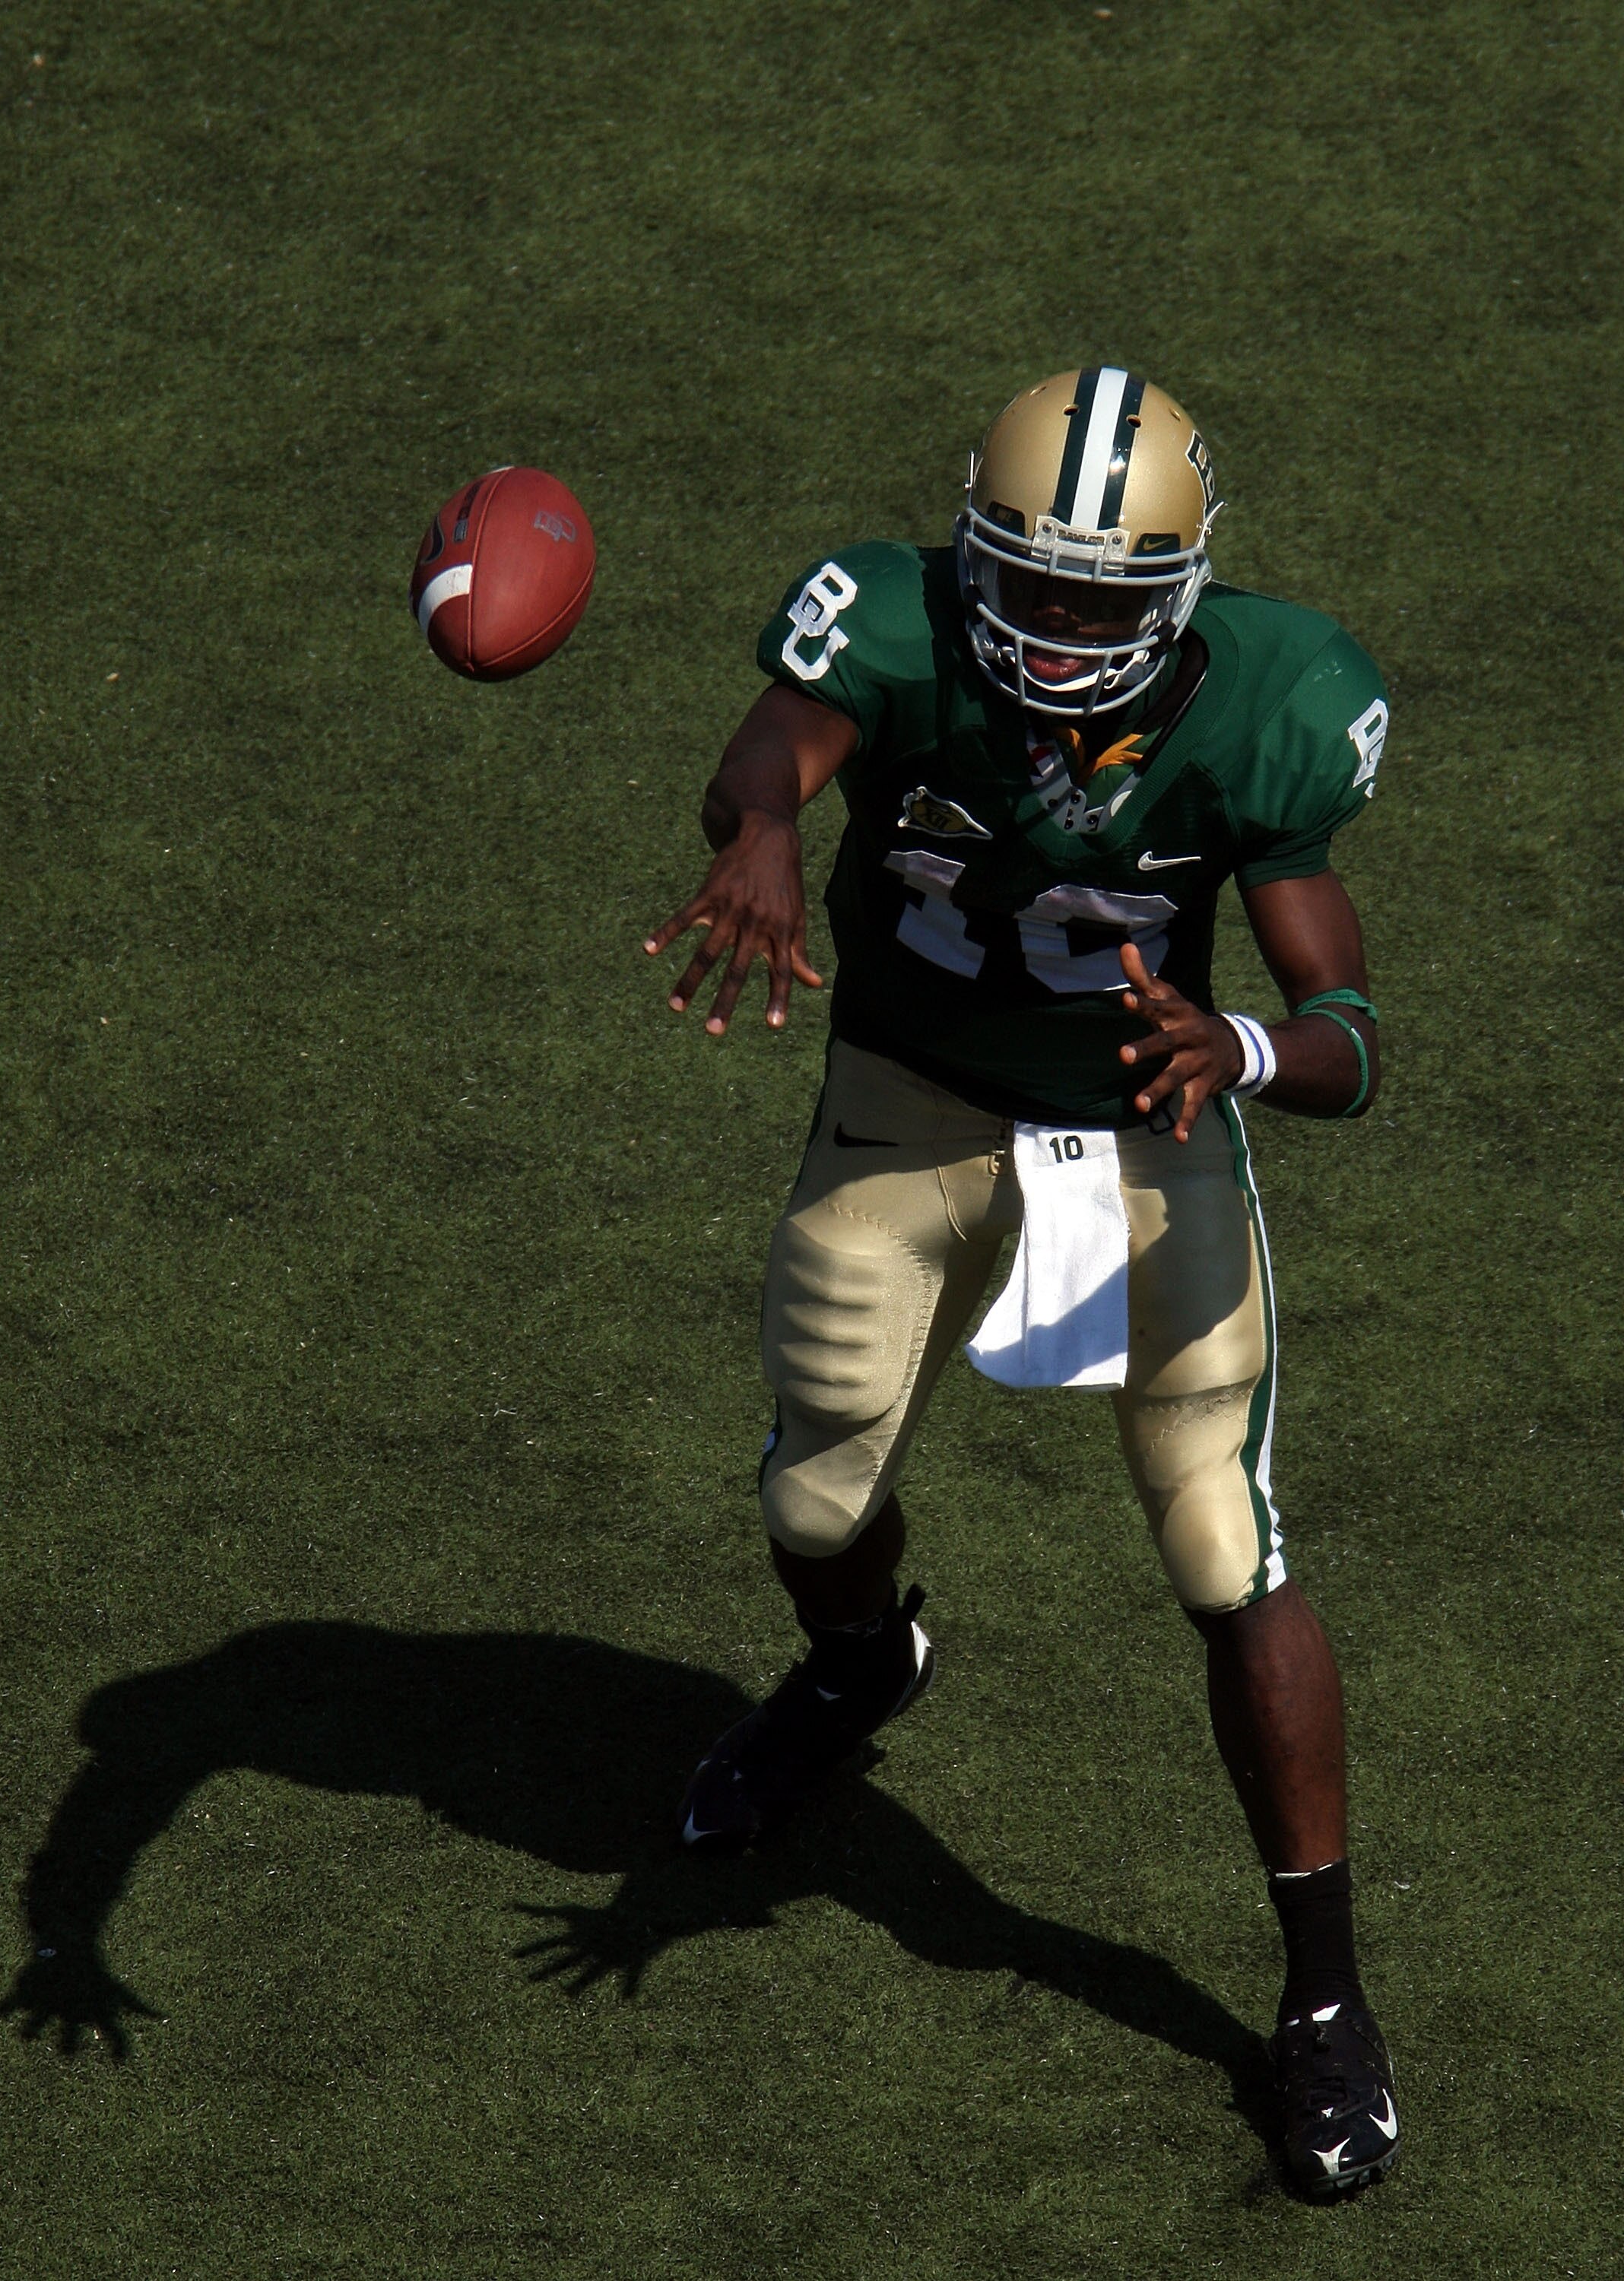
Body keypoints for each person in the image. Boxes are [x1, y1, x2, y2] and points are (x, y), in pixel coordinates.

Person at [645, 367, 1399, 2197]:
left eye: (1101, 600)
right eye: (1030, 586)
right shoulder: (896, 624)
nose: (1059, 632)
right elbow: (778, 743)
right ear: (973, 558)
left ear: (1183, 593)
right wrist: (756, 830)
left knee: (1226, 1544)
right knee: (815, 1483)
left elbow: (1353, 1039)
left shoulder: (1278, 704)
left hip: (1142, 1132)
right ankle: (858, 1673)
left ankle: (1323, 1998)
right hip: (904, 1109)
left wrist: (1234, 1043)